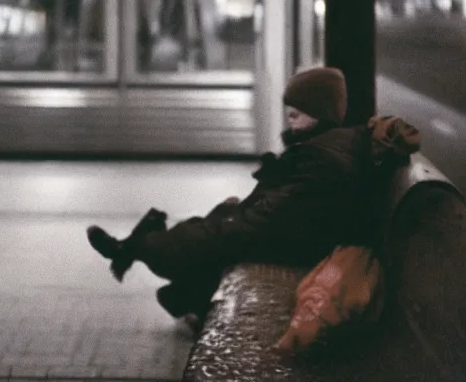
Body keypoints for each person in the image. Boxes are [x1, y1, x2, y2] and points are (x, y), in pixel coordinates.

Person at [86, 67, 418, 323]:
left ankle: (137, 247)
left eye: (298, 111)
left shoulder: (321, 158)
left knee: (212, 234)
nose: (290, 117)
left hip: (303, 248)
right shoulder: (330, 146)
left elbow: (268, 222)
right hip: (307, 239)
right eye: (290, 110)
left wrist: (232, 223)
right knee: (221, 217)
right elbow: (285, 208)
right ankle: (178, 288)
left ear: (323, 112)